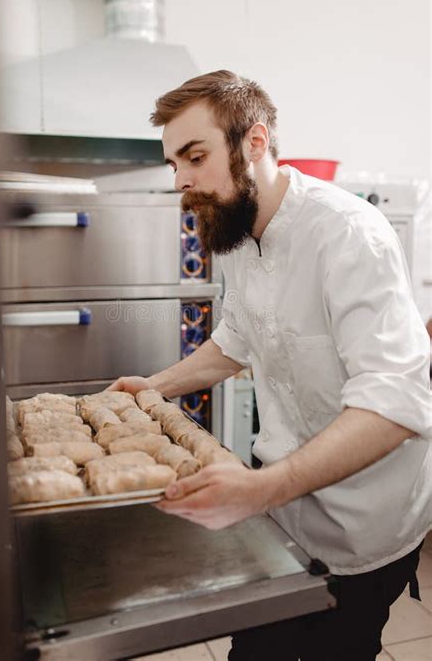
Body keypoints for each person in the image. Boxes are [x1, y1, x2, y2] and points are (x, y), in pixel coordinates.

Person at [108, 70, 431, 660]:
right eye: (172, 164)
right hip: (280, 517)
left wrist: (258, 489)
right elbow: (237, 338)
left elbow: (397, 405)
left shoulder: (350, 235)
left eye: (195, 156)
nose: (180, 181)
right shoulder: (236, 234)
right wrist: (151, 388)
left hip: (362, 526)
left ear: (255, 143)